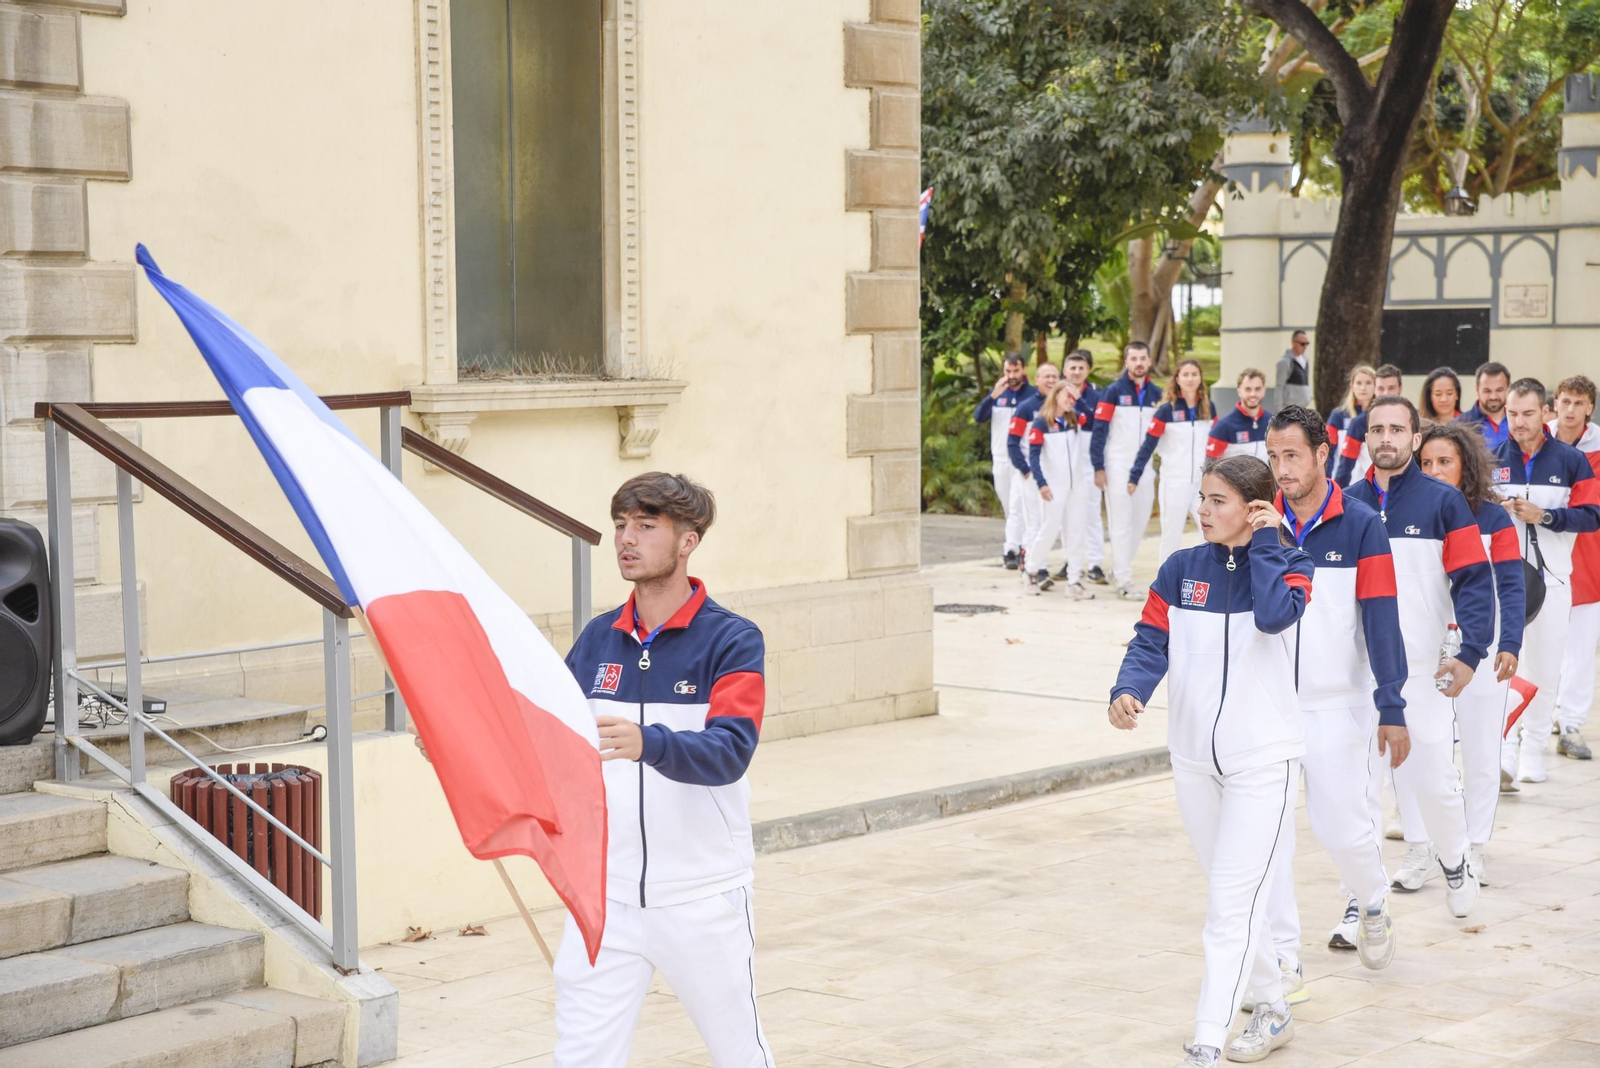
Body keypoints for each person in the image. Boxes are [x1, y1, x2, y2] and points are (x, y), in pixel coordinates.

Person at [556, 473, 773, 1067]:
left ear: (688, 541)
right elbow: (551, 739)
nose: (626, 539)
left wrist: (648, 742)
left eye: (646, 526)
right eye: (621, 524)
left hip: (701, 896)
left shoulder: (731, 641)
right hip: (606, 896)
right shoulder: (599, 638)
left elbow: (730, 751)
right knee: (580, 1057)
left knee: (739, 1054)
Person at [1110, 455, 1312, 1067]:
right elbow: (1151, 639)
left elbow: (1276, 617)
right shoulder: (1180, 569)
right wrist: (1129, 689)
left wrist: (1272, 542)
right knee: (1235, 899)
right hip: (1194, 761)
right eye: (1202, 498)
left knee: (1229, 904)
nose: (1203, 510)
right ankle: (1272, 1007)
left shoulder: (1292, 566)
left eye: (1218, 500)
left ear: (1253, 506)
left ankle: (1205, 1040)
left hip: (1263, 762)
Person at [1261, 406, 1407, 978]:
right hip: (1270, 708)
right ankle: (1282, 964)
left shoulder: (1362, 523)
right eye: (1272, 457)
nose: (1281, 469)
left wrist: (1390, 703)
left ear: (1323, 454)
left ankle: (1371, 900)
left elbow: (1381, 619)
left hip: (1337, 703)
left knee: (1341, 830)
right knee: (1268, 840)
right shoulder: (1258, 522)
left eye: (1291, 455)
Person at [1346, 396, 1492, 914]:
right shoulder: (1345, 502)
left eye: (1397, 429)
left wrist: (1471, 652)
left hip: (1420, 670)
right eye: (1376, 429)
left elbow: (1475, 581)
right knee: (1358, 785)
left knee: (1430, 778)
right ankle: (1359, 900)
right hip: (1356, 673)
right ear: (1366, 436)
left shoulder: (1442, 502)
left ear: (1414, 437)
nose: (1386, 437)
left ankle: (1454, 859)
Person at [1417, 423, 1524, 884]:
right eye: (1427, 463)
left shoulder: (1494, 518)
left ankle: (1475, 844)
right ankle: (1427, 847)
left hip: (1479, 651)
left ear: (1466, 466)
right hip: (1425, 651)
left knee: (1481, 749)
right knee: (1427, 750)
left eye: (1445, 461)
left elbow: (1511, 586)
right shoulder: (1408, 514)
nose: (1436, 471)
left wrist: (1510, 642)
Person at [1493, 378, 1600, 784]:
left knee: (1545, 667)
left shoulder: (1572, 461)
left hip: (1554, 581)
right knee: (1502, 666)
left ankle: (1533, 748)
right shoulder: (1493, 457)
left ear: (1546, 413)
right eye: (1512, 414)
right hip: (1504, 579)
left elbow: (1592, 515)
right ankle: (1505, 750)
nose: (1518, 422)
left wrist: (1546, 516)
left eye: (1527, 414)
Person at [1091, 341, 1164, 600]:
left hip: (1144, 467)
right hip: (1117, 465)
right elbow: (1099, 431)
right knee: (1120, 522)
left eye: (1142, 358)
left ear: (1149, 360)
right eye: (1133, 358)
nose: (1138, 363)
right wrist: (1098, 467)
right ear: (1126, 362)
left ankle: (1118, 567)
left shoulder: (1157, 393)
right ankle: (1123, 578)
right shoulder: (1113, 392)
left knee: (1140, 521)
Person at [1551, 375, 1600, 761]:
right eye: (1564, 401)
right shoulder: (1537, 443)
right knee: (1544, 645)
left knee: (1581, 648)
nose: (1570, 409)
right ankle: (1545, 712)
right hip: (1544, 560)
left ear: (1589, 409)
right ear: (1555, 404)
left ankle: (1571, 724)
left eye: (1578, 403)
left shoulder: (1598, 450)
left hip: (1589, 559)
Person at [1128, 358, 1214, 564]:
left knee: (1210, 532)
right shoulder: (1167, 410)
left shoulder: (1209, 408)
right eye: (1186, 374)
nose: (1190, 378)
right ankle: (1165, 585)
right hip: (1174, 481)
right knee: (1171, 535)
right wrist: (1135, 475)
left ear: (1200, 378)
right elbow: (1148, 445)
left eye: (1194, 374)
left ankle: (1210, 577)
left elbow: (1215, 444)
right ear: (1177, 379)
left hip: (1202, 483)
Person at [1027, 379, 1099, 598]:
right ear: (1055, 396)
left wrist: (1079, 398)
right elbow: (1033, 456)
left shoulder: (1074, 419)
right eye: (1066, 395)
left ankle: (1074, 581)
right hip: (1054, 486)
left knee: (1076, 531)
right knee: (1049, 529)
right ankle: (1031, 571)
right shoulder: (1042, 423)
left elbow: (1094, 419)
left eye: (1072, 396)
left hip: (1077, 485)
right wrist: (1042, 483)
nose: (1070, 400)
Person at [975, 353, 1038, 569]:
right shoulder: (998, 395)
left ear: (1024, 370)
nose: (1011, 376)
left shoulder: (1032, 395)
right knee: (1008, 506)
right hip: (1001, 459)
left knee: (1020, 505)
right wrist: (992, 396)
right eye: (1008, 371)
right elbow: (979, 417)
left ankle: (1014, 548)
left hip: (1022, 459)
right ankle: (1017, 544)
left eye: (1015, 371)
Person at [1007, 361, 1061, 585]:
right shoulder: (1026, 407)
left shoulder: (1064, 409)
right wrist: (1026, 471)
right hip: (1031, 476)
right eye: (1045, 376)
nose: (1050, 380)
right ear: (1036, 379)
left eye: (1054, 376)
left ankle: (1040, 567)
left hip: (1055, 478)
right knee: (1034, 523)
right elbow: (1012, 443)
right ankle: (1036, 570)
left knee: (1050, 523)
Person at [1061, 349, 1111, 585]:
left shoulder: (1096, 396)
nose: (1077, 372)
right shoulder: (1057, 394)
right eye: (1072, 367)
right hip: (1064, 462)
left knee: (1091, 514)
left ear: (1088, 370)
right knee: (1065, 514)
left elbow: (1096, 422)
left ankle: (1094, 563)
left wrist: (1078, 400)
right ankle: (1069, 560)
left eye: (1081, 368)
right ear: (1065, 370)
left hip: (1089, 461)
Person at [1334, 364, 1404, 486]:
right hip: (1372, 494)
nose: (1386, 393)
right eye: (1381, 388)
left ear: (1400, 388)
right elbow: (1345, 469)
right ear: (1375, 389)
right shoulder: (1358, 424)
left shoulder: (1411, 419)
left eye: (1391, 388)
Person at [1206, 369, 1271, 463]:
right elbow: (1209, 466)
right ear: (1239, 391)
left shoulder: (1272, 423)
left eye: (1257, 389)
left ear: (1264, 391)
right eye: (1248, 389)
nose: (1253, 394)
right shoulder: (1223, 426)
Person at [1325, 364, 1375, 477]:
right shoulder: (1338, 416)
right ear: (1352, 386)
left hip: (1370, 484)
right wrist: (1327, 482)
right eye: (1359, 383)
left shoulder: (1380, 417)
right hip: (1342, 482)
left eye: (1368, 383)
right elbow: (1328, 453)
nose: (1363, 388)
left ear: (1375, 386)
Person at [1460, 361, 1512, 448]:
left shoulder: (1520, 422)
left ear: (1508, 388)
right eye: (1487, 391)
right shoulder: (1461, 426)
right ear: (1477, 389)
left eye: (1499, 390)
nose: (1493, 397)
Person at [1275, 330, 1312, 410]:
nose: (1305, 346)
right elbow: (1279, 387)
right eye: (1302, 344)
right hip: (1290, 409)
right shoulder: (1285, 362)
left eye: (1307, 344)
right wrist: (1278, 412)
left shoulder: (1305, 361)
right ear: (1294, 343)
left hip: (1302, 409)